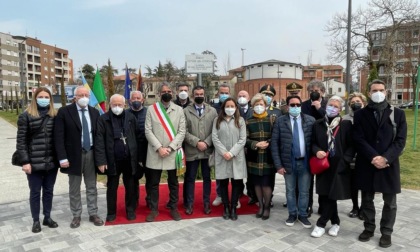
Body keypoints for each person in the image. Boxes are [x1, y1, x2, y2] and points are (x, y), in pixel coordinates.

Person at [353, 79, 407, 248]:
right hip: (367, 162)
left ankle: (386, 232)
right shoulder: (360, 114)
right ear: (369, 93)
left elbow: (400, 140)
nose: (378, 92)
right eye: (375, 90)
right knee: (367, 199)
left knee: (390, 202)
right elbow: (358, 139)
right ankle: (368, 228)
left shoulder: (398, 114)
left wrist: (385, 158)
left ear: (386, 92)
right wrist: (373, 157)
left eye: (381, 90)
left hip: (389, 164)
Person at [54, 86, 104, 228]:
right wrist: (62, 157)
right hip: (73, 156)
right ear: (75, 97)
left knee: (91, 186)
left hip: (91, 153)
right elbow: (59, 136)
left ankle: (93, 213)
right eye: (80, 95)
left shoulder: (95, 112)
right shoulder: (64, 112)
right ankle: (76, 215)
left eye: (86, 95)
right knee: (74, 188)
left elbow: (99, 136)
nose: (83, 97)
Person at [310, 96, 354, 238]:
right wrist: (317, 151)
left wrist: (345, 160)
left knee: (332, 195)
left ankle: (321, 224)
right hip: (324, 164)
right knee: (324, 194)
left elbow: (352, 145)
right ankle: (335, 222)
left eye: (336, 106)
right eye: (330, 105)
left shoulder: (345, 124)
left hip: (339, 165)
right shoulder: (318, 124)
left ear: (340, 109)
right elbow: (312, 143)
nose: (332, 108)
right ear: (325, 105)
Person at [16, 87, 59, 233]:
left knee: (49, 191)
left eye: (47, 97)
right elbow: (21, 142)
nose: (44, 99)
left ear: (51, 99)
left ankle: (47, 217)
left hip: (51, 162)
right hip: (33, 163)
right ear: (35, 98)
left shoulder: (55, 115)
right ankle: (36, 220)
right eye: (41, 96)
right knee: (35, 192)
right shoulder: (26, 116)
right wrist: (25, 162)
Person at [271, 95, 315, 229]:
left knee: (304, 191)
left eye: (297, 105)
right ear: (287, 106)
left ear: (301, 106)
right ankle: (292, 214)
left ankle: (302, 214)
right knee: (290, 191)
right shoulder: (280, 121)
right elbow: (274, 144)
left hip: (305, 162)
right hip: (288, 162)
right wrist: (278, 165)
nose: (295, 107)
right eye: (292, 105)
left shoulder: (310, 120)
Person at [144, 82, 186, 222]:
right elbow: (148, 130)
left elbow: (182, 131)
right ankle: (154, 209)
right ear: (159, 94)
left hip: (172, 152)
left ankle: (173, 208)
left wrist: (170, 147)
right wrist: (159, 147)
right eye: (163, 91)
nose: (166, 93)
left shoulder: (179, 110)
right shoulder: (151, 109)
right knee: (153, 183)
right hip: (155, 152)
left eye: (169, 91)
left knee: (173, 182)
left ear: (172, 93)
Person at [95, 94, 139, 221]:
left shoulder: (131, 117)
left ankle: (130, 210)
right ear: (110, 105)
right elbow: (99, 141)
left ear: (124, 105)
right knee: (112, 187)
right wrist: (101, 161)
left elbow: (137, 136)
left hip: (129, 159)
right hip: (112, 160)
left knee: (130, 186)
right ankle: (111, 212)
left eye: (120, 105)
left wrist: (137, 157)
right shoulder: (103, 119)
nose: (117, 107)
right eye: (114, 105)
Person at [183, 86, 218, 215]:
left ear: (205, 95)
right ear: (192, 96)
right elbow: (183, 131)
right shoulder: (185, 111)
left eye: (201, 94)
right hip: (192, 151)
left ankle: (206, 203)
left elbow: (215, 130)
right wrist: (197, 142)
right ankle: (190, 204)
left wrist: (207, 143)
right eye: (196, 94)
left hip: (207, 151)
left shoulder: (212, 111)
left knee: (207, 178)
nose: (199, 96)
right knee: (190, 178)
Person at [212, 97, 246, 221]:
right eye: (227, 106)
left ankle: (233, 207)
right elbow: (214, 138)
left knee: (237, 182)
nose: (230, 108)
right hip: (222, 157)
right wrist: (224, 152)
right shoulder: (217, 120)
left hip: (236, 157)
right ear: (223, 107)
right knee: (223, 183)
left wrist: (231, 153)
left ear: (236, 108)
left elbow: (242, 139)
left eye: (232, 106)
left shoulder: (240, 120)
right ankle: (226, 207)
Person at [245, 93, 275, 220]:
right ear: (252, 106)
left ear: (265, 105)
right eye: (256, 104)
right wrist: (255, 144)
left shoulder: (272, 119)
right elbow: (244, 139)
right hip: (254, 156)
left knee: (266, 184)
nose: (259, 106)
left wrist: (268, 142)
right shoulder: (248, 121)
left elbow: (277, 136)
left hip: (268, 156)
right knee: (257, 183)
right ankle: (261, 206)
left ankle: (267, 207)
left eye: (261, 104)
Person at [301, 79, 327, 216]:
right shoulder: (304, 105)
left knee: (322, 178)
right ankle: (308, 205)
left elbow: (330, 119)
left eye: (316, 91)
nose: (314, 93)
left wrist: (319, 108)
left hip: (322, 145)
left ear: (322, 92)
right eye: (311, 91)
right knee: (308, 179)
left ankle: (323, 206)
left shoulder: (327, 104)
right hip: (308, 144)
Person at [342, 92, 367, 220]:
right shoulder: (345, 118)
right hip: (351, 155)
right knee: (353, 183)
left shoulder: (368, 117)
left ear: (363, 103)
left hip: (364, 155)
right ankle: (355, 207)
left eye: (358, 102)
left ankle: (363, 208)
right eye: (352, 102)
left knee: (363, 183)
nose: (355, 104)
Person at [259, 84, 282, 208]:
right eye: (264, 94)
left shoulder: (278, 112)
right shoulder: (254, 109)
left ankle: (269, 197)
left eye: (270, 95)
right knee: (255, 176)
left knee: (270, 175)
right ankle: (256, 196)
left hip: (271, 148)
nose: (267, 97)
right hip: (256, 148)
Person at [127, 91, 148, 208]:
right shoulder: (125, 114)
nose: (136, 100)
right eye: (133, 98)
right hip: (131, 153)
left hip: (147, 151)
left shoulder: (149, 113)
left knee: (150, 179)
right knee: (133, 179)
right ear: (130, 100)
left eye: (138, 98)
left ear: (142, 100)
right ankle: (134, 202)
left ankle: (150, 201)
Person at [211, 84, 231, 207]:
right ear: (218, 94)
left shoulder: (234, 107)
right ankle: (219, 195)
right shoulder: (214, 109)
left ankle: (236, 196)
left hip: (233, 148)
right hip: (219, 147)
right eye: (222, 93)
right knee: (220, 173)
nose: (224, 95)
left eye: (226, 92)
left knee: (234, 174)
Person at [237, 90, 253, 205]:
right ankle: (238, 192)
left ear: (249, 98)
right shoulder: (233, 109)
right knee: (238, 172)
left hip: (250, 146)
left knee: (250, 172)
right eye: (240, 96)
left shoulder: (253, 110)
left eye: (244, 96)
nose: (242, 98)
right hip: (237, 146)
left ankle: (251, 193)